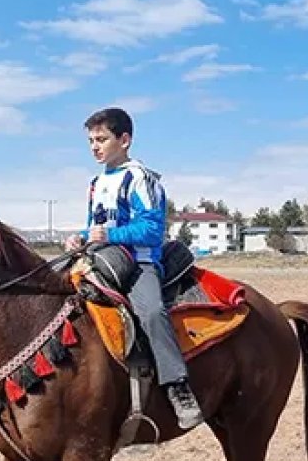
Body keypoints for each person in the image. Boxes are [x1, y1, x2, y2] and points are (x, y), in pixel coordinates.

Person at [63, 107, 204, 429]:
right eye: (90, 141)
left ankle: (178, 386)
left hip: (140, 264)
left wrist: (109, 235)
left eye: (102, 139)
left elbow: (152, 230)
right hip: (101, 257)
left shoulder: (139, 178)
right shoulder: (96, 183)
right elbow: (96, 226)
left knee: (152, 312)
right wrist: (80, 238)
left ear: (124, 140)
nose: (94, 147)